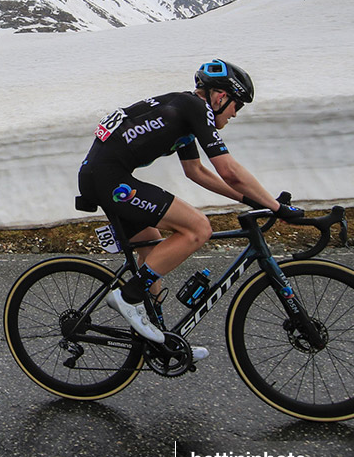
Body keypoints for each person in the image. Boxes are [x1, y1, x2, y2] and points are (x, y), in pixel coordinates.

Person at [78, 58, 304, 352]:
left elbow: (196, 171)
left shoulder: (183, 110)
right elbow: (229, 171)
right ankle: (128, 297)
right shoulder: (196, 108)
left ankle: (158, 340)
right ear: (221, 97)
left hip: (102, 176)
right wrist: (276, 206)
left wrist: (250, 200)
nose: (235, 114)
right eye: (238, 105)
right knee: (198, 227)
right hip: (109, 180)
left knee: (151, 247)